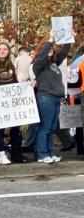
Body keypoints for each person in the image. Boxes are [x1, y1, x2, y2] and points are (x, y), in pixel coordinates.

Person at [32, 31, 71, 164]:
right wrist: (50, 40)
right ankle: (42, 154)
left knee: (52, 128)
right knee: (45, 127)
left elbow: (64, 52)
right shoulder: (38, 64)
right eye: (47, 48)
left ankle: (50, 152)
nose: (49, 50)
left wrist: (68, 38)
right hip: (45, 97)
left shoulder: (53, 63)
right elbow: (42, 57)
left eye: (51, 49)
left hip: (55, 98)